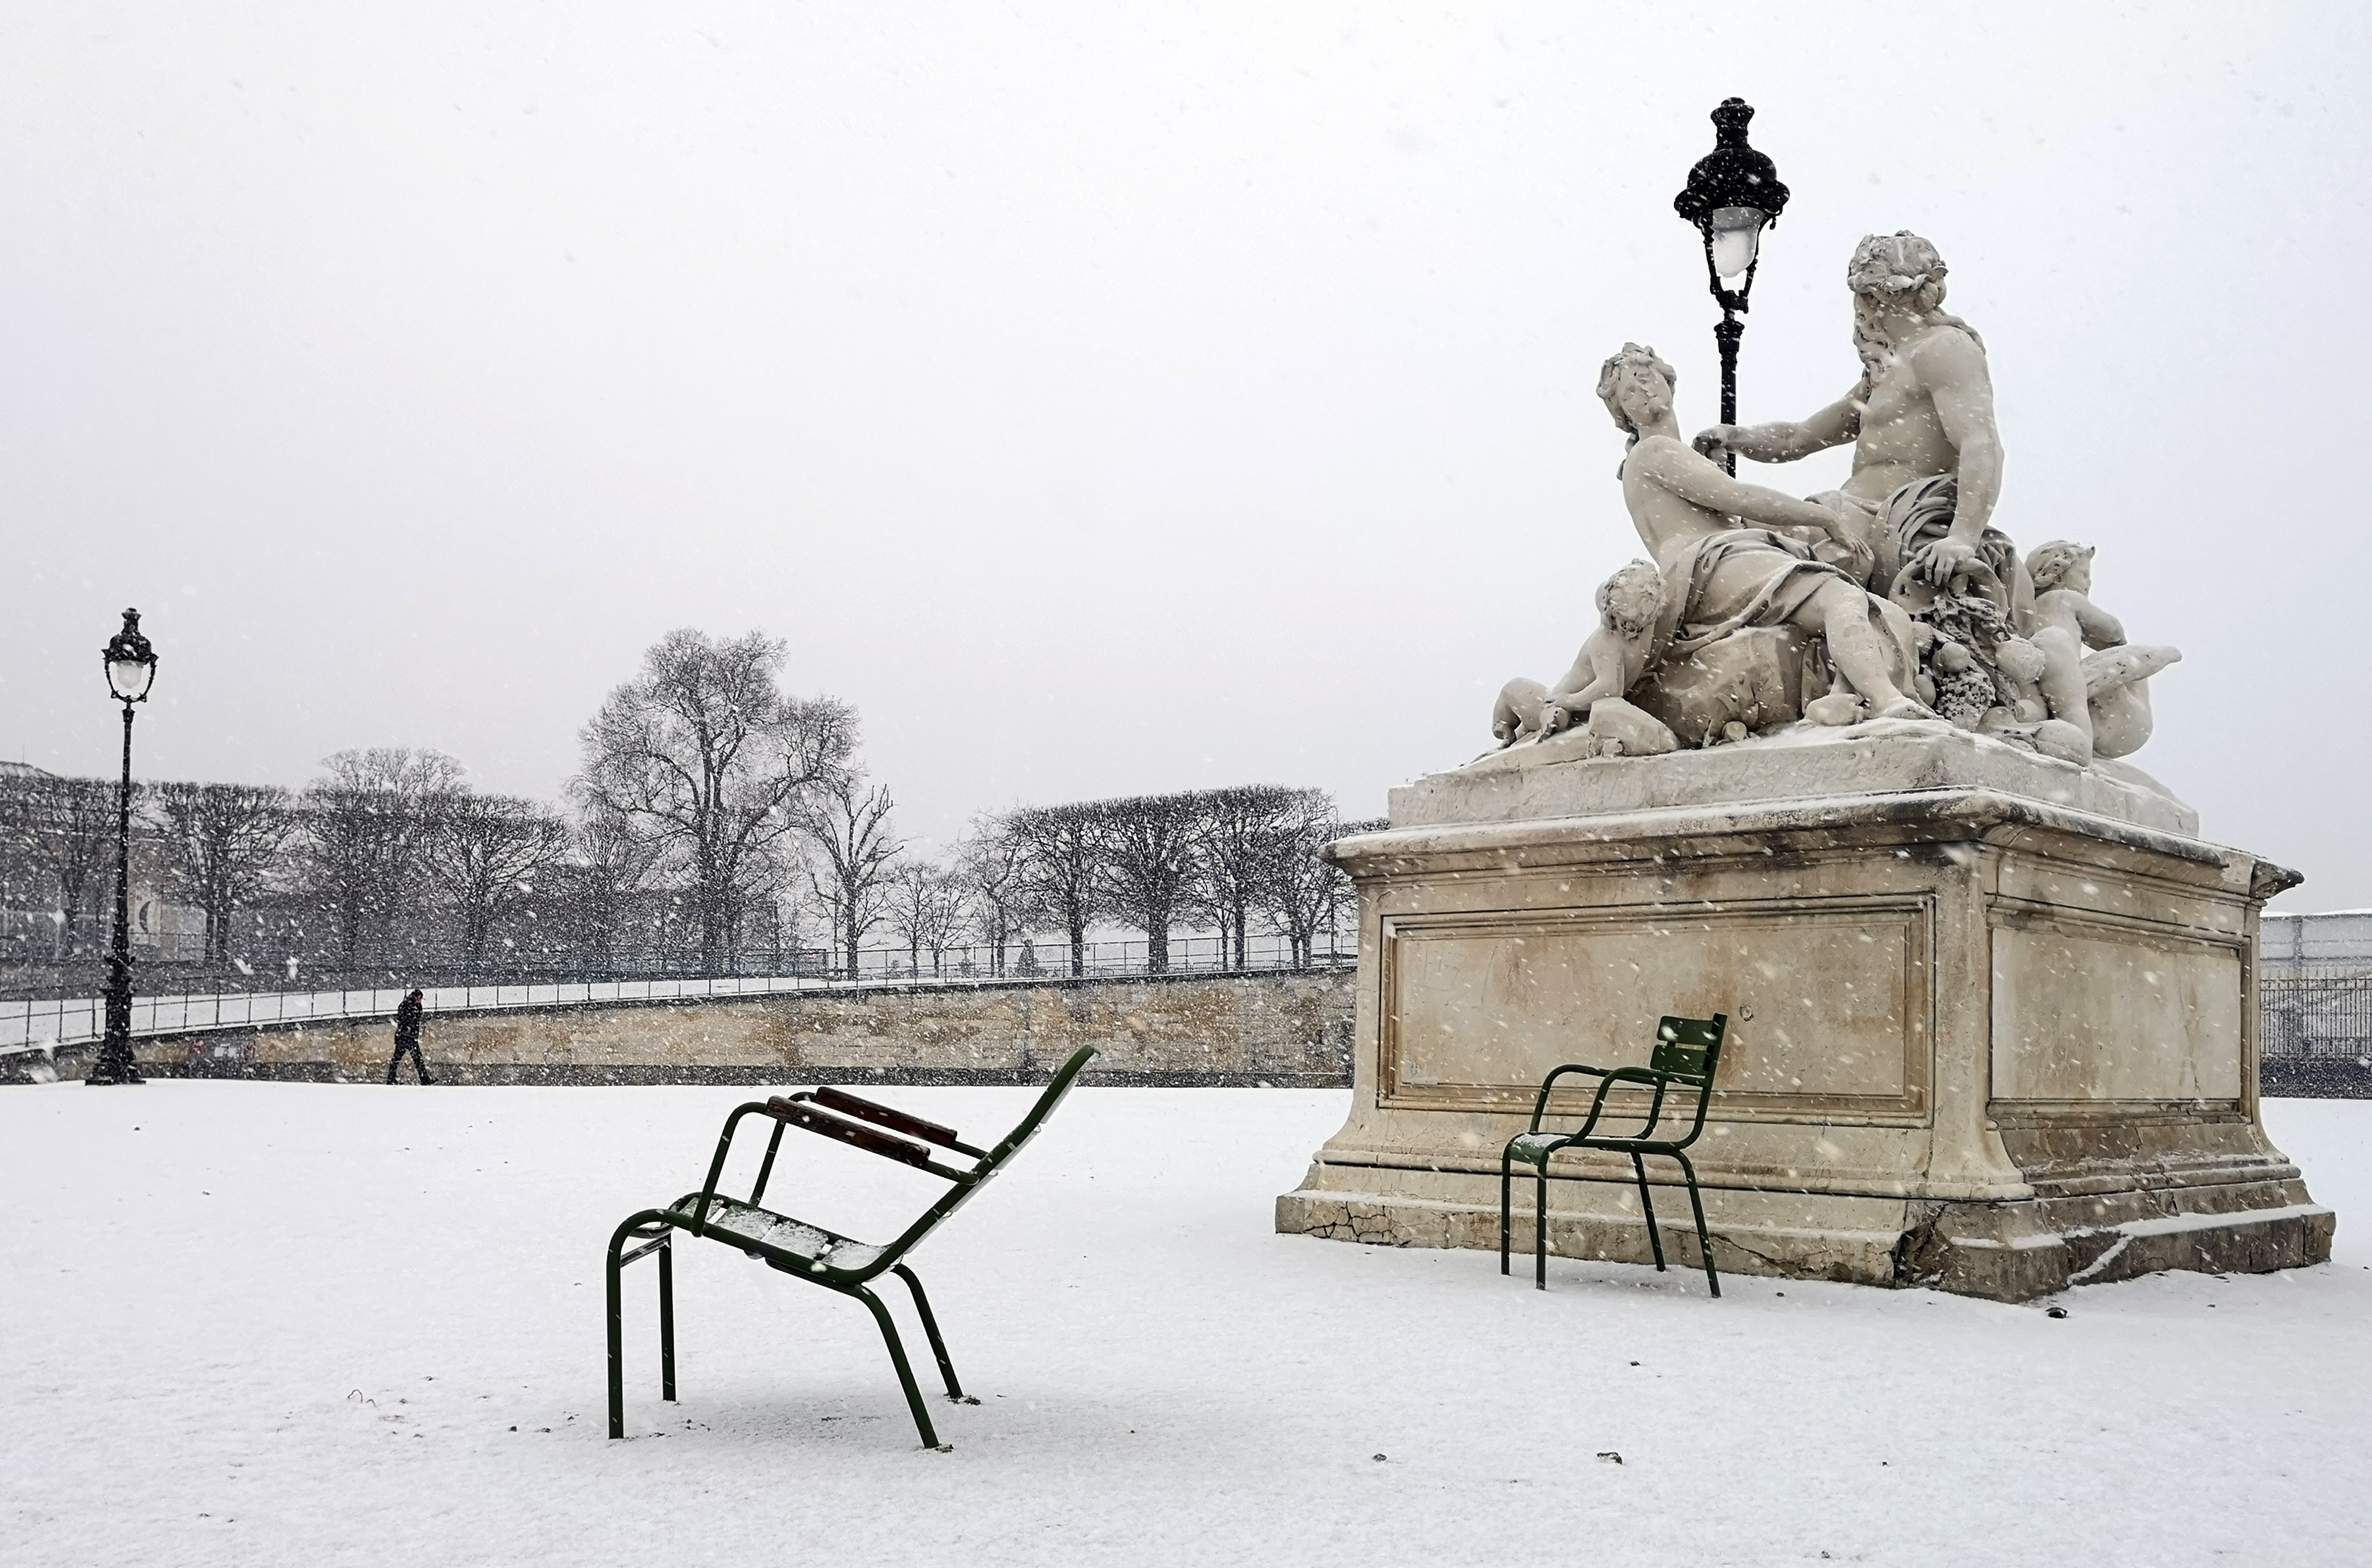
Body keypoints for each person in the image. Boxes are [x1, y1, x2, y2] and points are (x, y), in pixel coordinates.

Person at [1599, 343, 1930, 723]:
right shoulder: (1654, 451)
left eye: (1646, 377)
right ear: (1623, 413)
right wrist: (1824, 517)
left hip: (1735, 556)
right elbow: (1741, 498)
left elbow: (1737, 507)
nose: (1642, 391)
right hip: (1714, 563)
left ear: (1669, 382)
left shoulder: (1672, 455)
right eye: (1628, 393)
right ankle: (1885, 700)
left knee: (1887, 616)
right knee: (1840, 597)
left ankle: (1843, 697)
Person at [1691, 232, 2004, 594]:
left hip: (1892, 523)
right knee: (1739, 541)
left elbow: (1981, 444)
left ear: (1882, 294)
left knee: (1755, 554)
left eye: (1865, 294)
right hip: (1848, 514)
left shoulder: (1945, 349)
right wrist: (1735, 438)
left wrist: (1963, 537)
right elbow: (1800, 438)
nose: (1861, 308)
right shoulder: (1883, 372)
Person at [387, 988, 432, 1085]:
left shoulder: (415, 1006)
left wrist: (418, 1007)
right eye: (419, 999)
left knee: (417, 1059)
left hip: (410, 1037)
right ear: (415, 997)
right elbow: (403, 1018)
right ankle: (391, 1079)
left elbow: (417, 1017)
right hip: (404, 1036)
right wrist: (408, 1026)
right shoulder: (405, 1005)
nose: (420, 1001)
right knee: (399, 1059)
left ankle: (425, 1080)